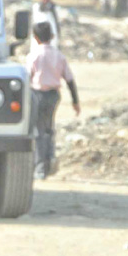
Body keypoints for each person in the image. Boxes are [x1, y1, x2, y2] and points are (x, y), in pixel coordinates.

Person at [27, 22, 80, 180]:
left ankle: (40, 168)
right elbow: (70, 80)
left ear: (35, 38)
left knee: (38, 131)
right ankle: (50, 160)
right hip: (53, 96)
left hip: (37, 95)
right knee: (49, 128)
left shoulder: (34, 55)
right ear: (52, 36)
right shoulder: (59, 55)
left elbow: (27, 77)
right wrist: (75, 101)